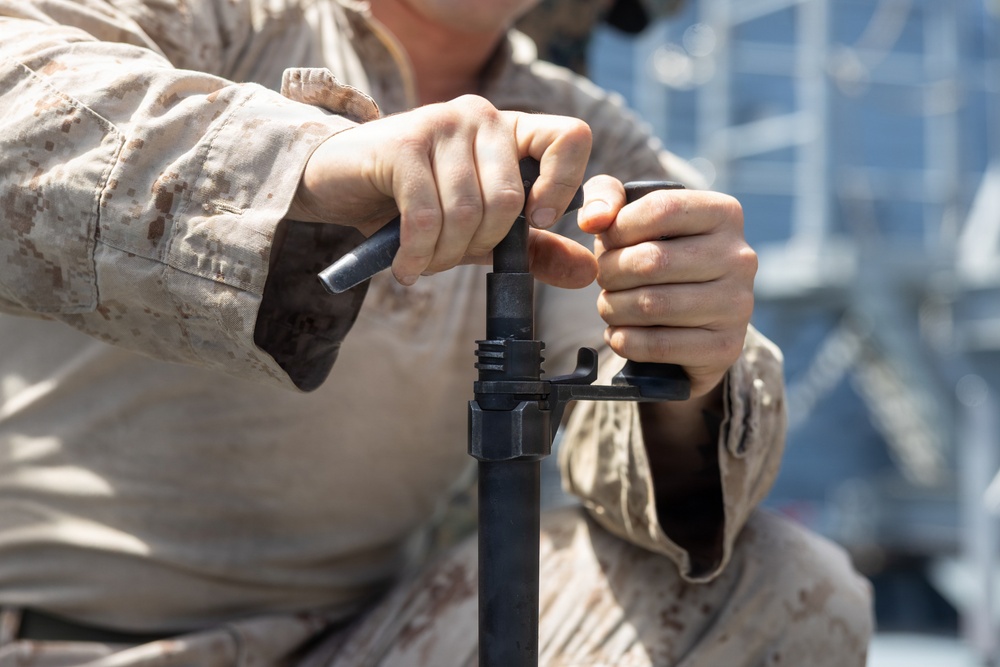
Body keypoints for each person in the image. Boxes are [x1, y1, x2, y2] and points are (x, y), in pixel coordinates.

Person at [0, 0, 873, 665]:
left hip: (362, 641)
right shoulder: (227, 20)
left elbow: (654, 440)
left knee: (784, 588)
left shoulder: (583, 134)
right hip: (58, 643)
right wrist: (313, 166)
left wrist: (688, 361)